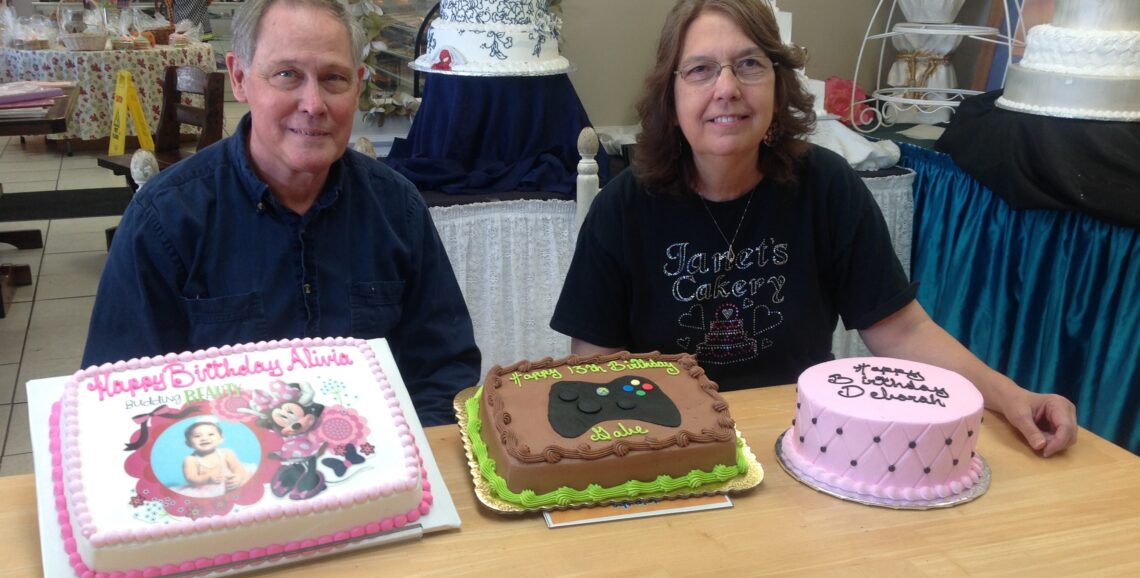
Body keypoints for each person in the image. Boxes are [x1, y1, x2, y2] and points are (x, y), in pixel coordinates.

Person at [550, 0, 1077, 456]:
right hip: (670, 444)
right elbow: (593, 365)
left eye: (749, 65)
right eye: (701, 70)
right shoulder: (624, 206)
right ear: (672, 95)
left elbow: (903, 331)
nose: (727, 88)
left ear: (779, 87)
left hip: (804, 444)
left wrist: (1011, 398)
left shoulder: (827, 186)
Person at [82, 0, 480, 427]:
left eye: (333, 78)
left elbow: (444, 370)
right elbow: (118, 398)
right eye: (287, 75)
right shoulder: (165, 220)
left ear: (358, 85)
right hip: (224, 478)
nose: (313, 103)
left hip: (378, 476)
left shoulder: (397, 210)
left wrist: (416, 460)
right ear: (240, 78)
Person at [182, 420, 250, 491]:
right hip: (206, 490)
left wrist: (238, 476)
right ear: (188, 443)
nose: (204, 438)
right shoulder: (190, 459)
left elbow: (237, 466)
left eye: (211, 434)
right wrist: (208, 478)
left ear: (221, 439)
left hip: (229, 485)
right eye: (197, 436)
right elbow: (190, 478)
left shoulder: (227, 453)